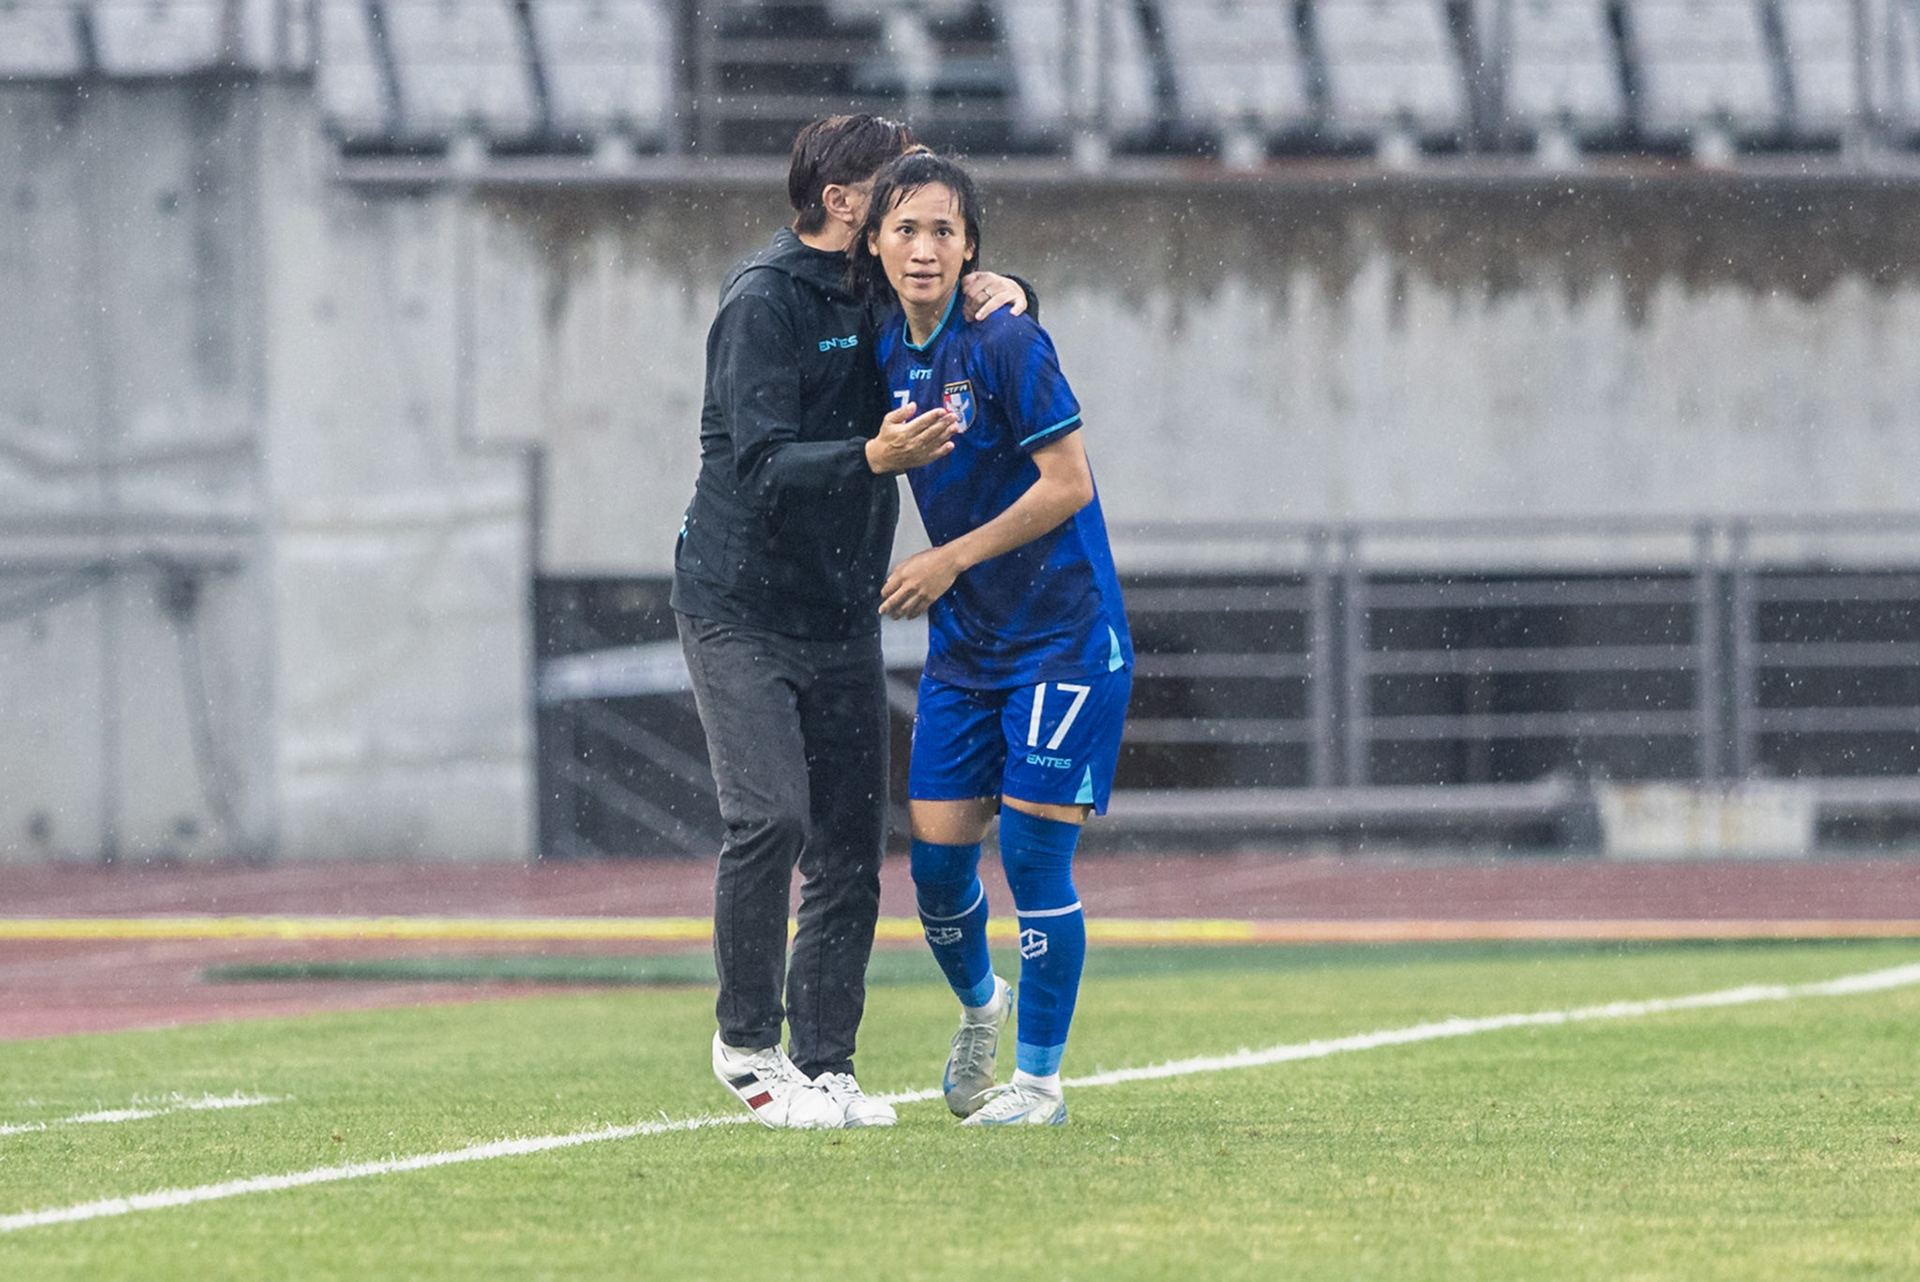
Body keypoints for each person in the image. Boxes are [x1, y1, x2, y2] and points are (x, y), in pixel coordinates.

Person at [672, 116, 1030, 1130]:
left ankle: (827, 1064)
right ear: (842, 202)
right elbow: (758, 465)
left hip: (842, 611)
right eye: (893, 190)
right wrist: (871, 459)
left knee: (845, 844)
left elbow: (970, 313)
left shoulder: (887, 283)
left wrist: (1011, 293)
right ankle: (747, 1044)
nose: (917, 219)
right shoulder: (764, 301)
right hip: (739, 606)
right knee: (770, 818)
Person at [852, 152, 1132, 1127]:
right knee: (933, 873)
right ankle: (982, 1007)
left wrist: (948, 561)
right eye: (907, 229)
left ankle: (1040, 1086)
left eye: (944, 230)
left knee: (1031, 857)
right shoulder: (880, 344)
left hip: (1063, 634)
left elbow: (1069, 485)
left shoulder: (1007, 342)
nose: (924, 248)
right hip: (969, 648)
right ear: (876, 243)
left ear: (972, 247)